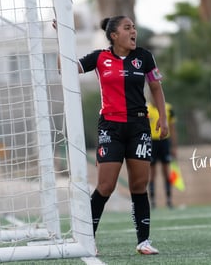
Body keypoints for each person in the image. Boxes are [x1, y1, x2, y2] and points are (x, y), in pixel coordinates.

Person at [53, 15, 168, 254]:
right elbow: (67, 69)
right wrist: (60, 39)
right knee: (106, 185)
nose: (133, 31)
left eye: (134, 27)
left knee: (139, 185)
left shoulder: (144, 57)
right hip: (110, 128)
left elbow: (156, 87)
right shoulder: (99, 57)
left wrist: (164, 120)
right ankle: (87, 239)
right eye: (128, 28)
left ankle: (143, 242)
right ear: (114, 35)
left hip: (139, 127)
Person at [147, 100, 177, 209]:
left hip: (164, 142)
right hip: (152, 143)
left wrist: (174, 146)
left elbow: (172, 128)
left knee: (166, 172)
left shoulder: (168, 108)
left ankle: (169, 200)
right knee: (152, 174)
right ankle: (153, 201)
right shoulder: (147, 109)